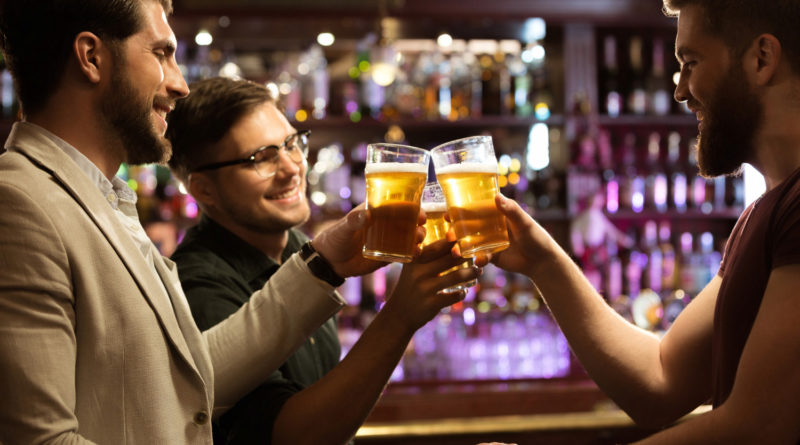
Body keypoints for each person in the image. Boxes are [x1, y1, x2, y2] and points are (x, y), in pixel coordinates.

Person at [0, 1, 461, 443]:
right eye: (161, 53)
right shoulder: (18, 204)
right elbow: (40, 440)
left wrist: (324, 262)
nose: (180, 84)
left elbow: (192, 382)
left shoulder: (100, 199)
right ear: (91, 57)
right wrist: (398, 317)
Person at [489, 1, 800, 442]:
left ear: (761, 59)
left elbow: (759, 427)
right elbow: (661, 382)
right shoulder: (764, 214)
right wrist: (541, 260)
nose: (681, 90)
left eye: (691, 62)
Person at [165, 76, 479, 445]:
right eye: (261, 158)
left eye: (291, 144)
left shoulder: (301, 249)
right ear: (203, 190)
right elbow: (292, 436)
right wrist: (401, 316)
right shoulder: (199, 285)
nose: (292, 167)